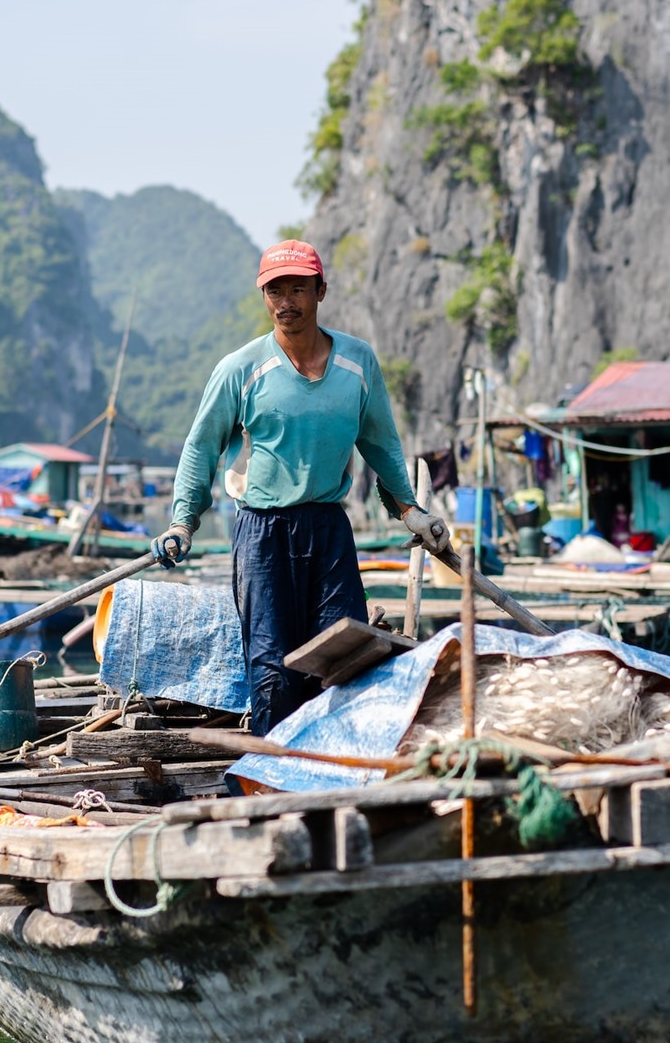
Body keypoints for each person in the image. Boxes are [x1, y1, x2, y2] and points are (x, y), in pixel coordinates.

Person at [153, 239, 449, 734]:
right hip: (262, 532)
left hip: (328, 528)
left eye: (297, 288)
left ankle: (337, 767)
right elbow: (200, 448)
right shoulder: (240, 370)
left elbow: (380, 444)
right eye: (275, 291)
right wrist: (183, 521)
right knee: (272, 665)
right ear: (264, 298)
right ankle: (274, 782)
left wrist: (411, 511)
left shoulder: (357, 363)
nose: (286, 301)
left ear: (321, 291)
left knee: (345, 651)